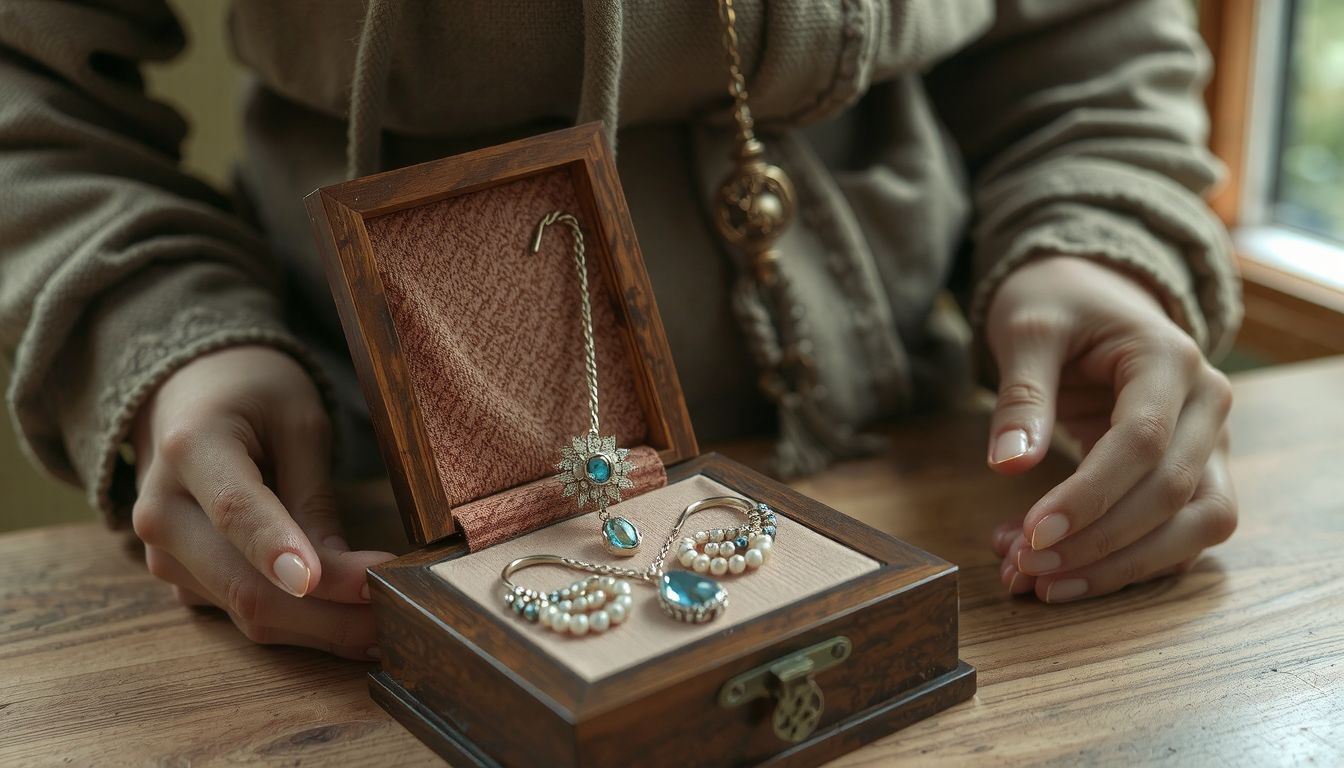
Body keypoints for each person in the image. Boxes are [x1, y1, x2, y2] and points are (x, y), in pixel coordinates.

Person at [0, 0, 1239, 660]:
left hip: (920, 475)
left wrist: (1090, 242)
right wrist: (162, 333)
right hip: (362, 527)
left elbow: (1090, 32)